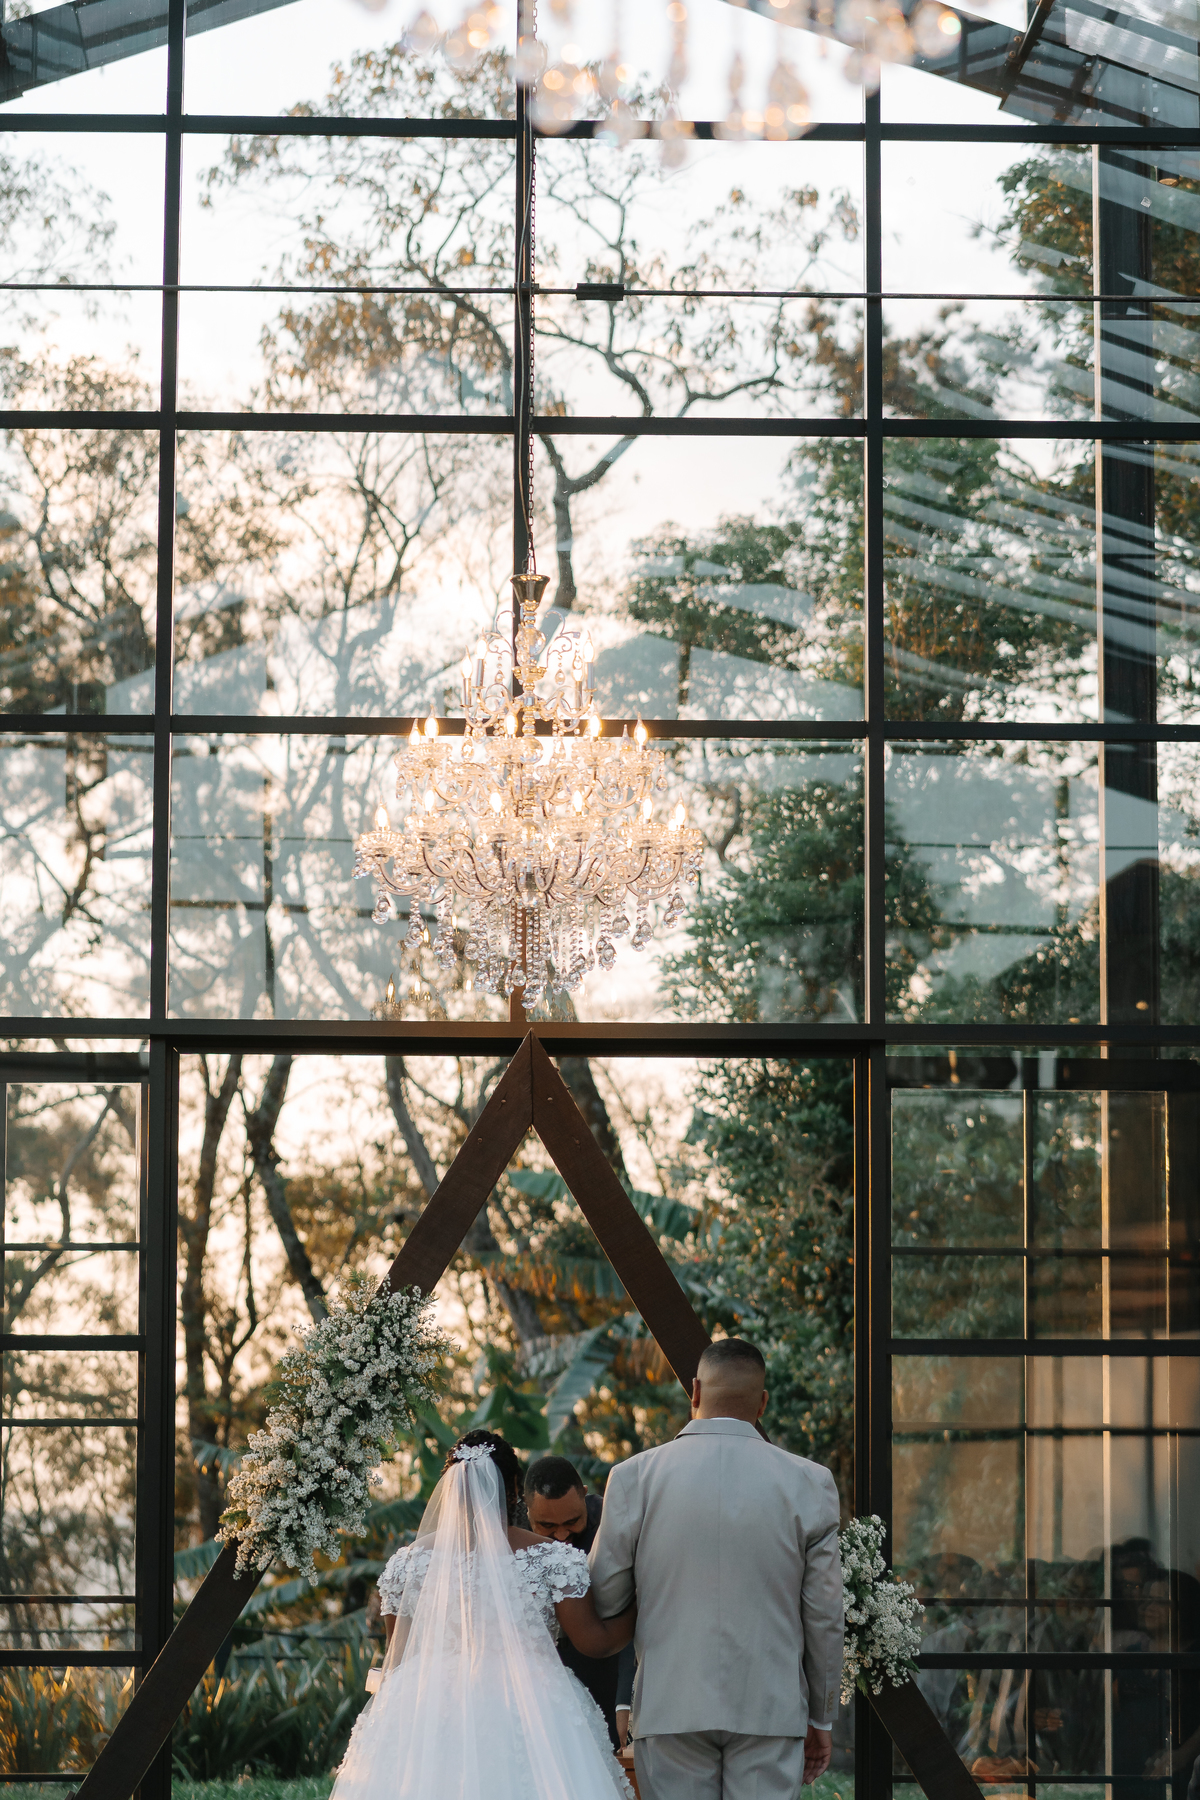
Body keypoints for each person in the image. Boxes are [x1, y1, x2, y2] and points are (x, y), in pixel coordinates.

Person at [589, 1337, 844, 1800]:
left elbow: (605, 1595)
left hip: (670, 1702)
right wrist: (821, 1717)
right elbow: (826, 1613)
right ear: (762, 1403)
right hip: (770, 1706)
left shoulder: (633, 1477)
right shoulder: (811, 1482)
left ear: (695, 1391)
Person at [332, 1429, 636, 1800]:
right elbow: (594, 1641)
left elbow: (399, 1655)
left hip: (430, 1713)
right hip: (531, 1707)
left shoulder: (407, 1564)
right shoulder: (551, 1558)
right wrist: (640, 1602)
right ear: (513, 1488)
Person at [525, 1453, 635, 1751]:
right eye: (546, 1525)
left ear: (584, 1494)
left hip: (605, 1681)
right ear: (527, 1509)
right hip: (535, 1696)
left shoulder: (613, 1523)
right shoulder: (508, 1535)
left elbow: (635, 1607)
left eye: (572, 1522)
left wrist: (625, 1700)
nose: (562, 1535)